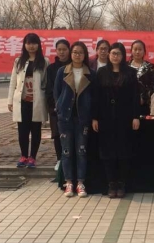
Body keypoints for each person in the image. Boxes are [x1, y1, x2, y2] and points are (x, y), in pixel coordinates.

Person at [92, 42, 140, 198]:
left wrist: (136, 116)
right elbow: (96, 97)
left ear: (123, 56)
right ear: (108, 55)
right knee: (108, 152)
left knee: (124, 151)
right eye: (113, 53)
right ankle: (111, 183)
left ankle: (122, 183)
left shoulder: (130, 73)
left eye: (118, 54)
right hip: (105, 118)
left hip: (125, 118)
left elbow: (135, 97)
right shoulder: (101, 72)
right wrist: (95, 117)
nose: (115, 56)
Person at [54, 41, 94, 198]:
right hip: (65, 117)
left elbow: (93, 95)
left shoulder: (90, 73)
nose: (77, 55)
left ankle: (80, 183)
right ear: (71, 54)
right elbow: (56, 92)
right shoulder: (62, 71)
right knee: (66, 151)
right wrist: (59, 107)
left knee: (81, 151)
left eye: (81, 52)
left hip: (83, 117)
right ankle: (69, 182)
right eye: (75, 52)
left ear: (85, 55)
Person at [8, 33, 49, 168]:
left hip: (37, 102)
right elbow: (13, 82)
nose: (31, 46)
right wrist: (10, 101)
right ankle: (24, 156)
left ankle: (33, 157)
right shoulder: (18, 61)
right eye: (28, 43)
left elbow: (46, 82)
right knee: (22, 130)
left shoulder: (44, 62)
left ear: (38, 45)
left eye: (34, 43)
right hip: (22, 101)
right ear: (24, 45)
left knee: (36, 130)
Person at [45, 39, 71, 173]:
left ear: (69, 50)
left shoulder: (74, 66)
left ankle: (70, 158)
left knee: (70, 133)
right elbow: (49, 88)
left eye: (64, 49)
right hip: (56, 107)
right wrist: (55, 104)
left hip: (71, 107)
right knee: (57, 134)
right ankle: (59, 159)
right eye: (59, 49)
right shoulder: (51, 68)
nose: (62, 52)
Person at [129, 40, 154, 116]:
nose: (137, 52)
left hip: (143, 103)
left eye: (140, 49)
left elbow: (152, 85)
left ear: (144, 52)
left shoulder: (150, 67)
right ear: (131, 51)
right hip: (127, 102)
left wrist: (144, 98)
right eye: (135, 49)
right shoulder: (125, 66)